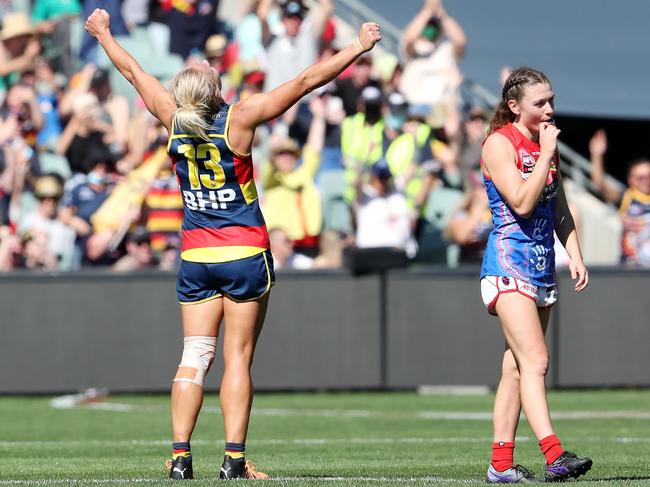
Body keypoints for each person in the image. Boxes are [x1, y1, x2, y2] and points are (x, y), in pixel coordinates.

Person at [85, 8, 381, 480]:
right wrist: (357, 48)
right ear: (214, 91)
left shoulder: (170, 116)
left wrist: (102, 33)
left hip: (196, 256)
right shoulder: (239, 118)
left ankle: (181, 458)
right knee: (237, 358)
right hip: (243, 253)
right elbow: (305, 81)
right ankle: (234, 460)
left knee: (194, 356)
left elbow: (132, 70)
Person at [479, 67, 592, 483]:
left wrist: (575, 254)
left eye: (551, 101)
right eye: (539, 103)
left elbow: (556, 202)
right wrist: (545, 152)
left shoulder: (547, 145)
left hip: (542, 264)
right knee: (536, 360)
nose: (549, 109)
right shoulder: (498, 143)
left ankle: (501, 465)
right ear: (514, 107)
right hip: (508, 263)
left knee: (515, 368)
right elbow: (523, 204)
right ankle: (555, 454)